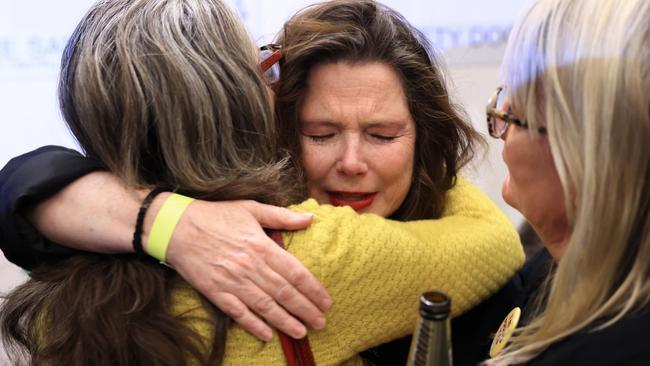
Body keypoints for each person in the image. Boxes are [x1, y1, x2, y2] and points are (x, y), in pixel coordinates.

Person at [0, 0, 524, 365]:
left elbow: (23, 187)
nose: (352, 160)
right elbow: (495, 241)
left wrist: (154, 218)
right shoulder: (306, 249)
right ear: (240, 111)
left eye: (383, 134)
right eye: (318, 132)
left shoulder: (60, 256)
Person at [481, 0, 650, 364]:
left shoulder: (618, 350)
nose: (501, 131)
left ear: (584, 152)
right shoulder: (553, 266)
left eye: (514, 114)